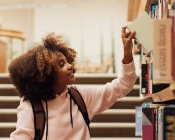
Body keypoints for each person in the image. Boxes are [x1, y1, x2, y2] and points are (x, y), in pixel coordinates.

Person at [9, 26, 137, 140]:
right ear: (45, 74)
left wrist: (127, 54)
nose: (70, 66)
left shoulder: (80, 96)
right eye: (61, 64)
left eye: (67, 61)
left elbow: (122, 85)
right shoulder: (30, 106)